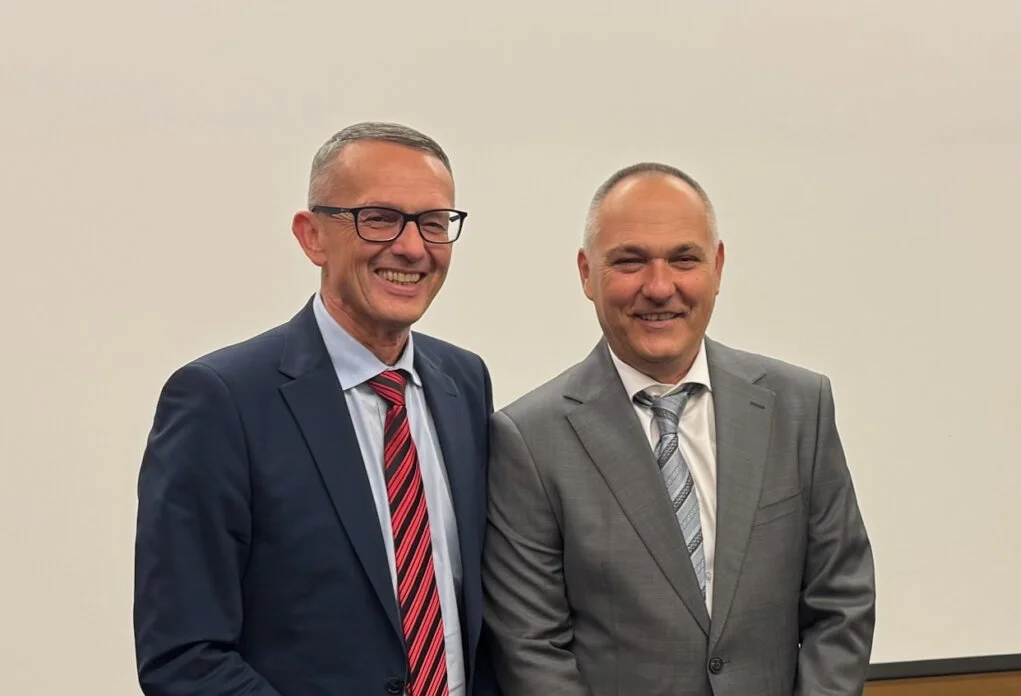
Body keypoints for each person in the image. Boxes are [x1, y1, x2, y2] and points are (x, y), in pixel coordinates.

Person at [134, 122, 500, 696]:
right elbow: (184, 656)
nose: (412, 247)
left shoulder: (465, 382)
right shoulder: (220, 401)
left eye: (433, 222)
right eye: (379, 218)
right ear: (312, 237)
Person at [481, 162, 876, 695]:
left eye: (684, 259)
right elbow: (532, 648)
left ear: (717, 266)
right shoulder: (528, 439)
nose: (659, 287)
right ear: (586, 274)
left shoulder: (800, 407)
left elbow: (842, 600)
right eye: (630, 261)